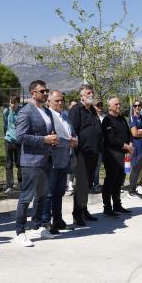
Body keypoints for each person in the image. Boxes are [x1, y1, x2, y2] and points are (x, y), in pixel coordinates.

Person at [14, 80, 59, 246]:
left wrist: (53, 138)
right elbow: (20, 136)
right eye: (42, 91)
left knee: (42, 196)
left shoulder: (47, 111)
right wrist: (44, 140)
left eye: (47, 90)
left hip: (46, 159)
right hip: (31, 161)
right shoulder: (26, 112)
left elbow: (49, 132)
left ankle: (37, 226)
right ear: (33, 93)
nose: (46, 93)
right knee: (26, 198)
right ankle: (20, 232)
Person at [69, 85, 103, 226]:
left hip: (94, 152)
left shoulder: (92, 111)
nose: (91, 94)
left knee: (88, 183)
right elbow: (72, 131)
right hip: (82, 153)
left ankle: (84, 209)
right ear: (81, 96)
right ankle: (77, 214)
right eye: (88, 93)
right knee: (81, 184)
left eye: (92, 92)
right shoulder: (76, 110)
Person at [45, 90, 77, 234]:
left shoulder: (65, 116)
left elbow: (73, 134)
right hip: (52, 160)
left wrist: (75, 140)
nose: (60, 102)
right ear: (49, 102)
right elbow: (53, 138)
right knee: (49, 193)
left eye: (61, 100)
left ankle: (58, 220)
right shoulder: (48, 116)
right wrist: (69, 141)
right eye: (57, 100)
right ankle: (46, 222)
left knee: (59, 193)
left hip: (65, 160)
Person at [102, 96, 134, 215]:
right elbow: (110, 139)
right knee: (110, 180)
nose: (119, 106)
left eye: (119, 104)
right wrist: (127, 146)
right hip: (112, 155)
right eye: (116, 104)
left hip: (125, 155)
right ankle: (107, 207)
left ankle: (117, 205)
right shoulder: (107, 120)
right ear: (109, 107)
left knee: (120, 180)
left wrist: (130, 144)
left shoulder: (122, 119)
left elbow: (129, 134)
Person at [126, 99, 142, 199]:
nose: (137, 107)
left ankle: (134, 188)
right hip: (136, 146)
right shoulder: (132, 118)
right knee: (135, 168)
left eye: (139, 105)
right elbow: (134, 133)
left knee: (139, 168)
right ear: (133, 107)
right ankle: (131, 191)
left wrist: (141, 131)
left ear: (141, 106)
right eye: (135, 105)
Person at [2, 95, 22, 194]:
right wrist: (7, 134)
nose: (12, 105)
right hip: (9, 140)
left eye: (14, 103)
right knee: (9, 164)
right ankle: (9, 186)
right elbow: (5, 125)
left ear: (18, 103)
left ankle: (20, 183)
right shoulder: (6, 112)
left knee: (19, 163)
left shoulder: (22, 112)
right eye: (11, 103)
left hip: (18, 141)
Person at [90, 100, 105, 194]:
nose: (100, 106)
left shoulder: (106, 117)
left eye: (101, 105)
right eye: (97, 105)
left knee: (98, 166)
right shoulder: (91, 117)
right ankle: (94, 184)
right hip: (93, 145)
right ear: (93, 106)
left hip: (104, 145)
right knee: (94, 166)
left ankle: (96, 184)